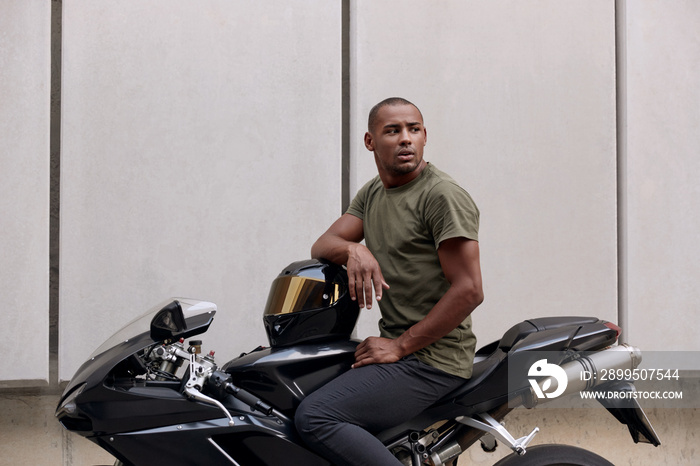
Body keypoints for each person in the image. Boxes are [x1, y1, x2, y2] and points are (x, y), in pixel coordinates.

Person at [295, 97, 484, 466]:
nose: (405, 139)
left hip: (433, 360)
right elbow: (323, 243)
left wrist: (399, 346)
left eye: (413, 130)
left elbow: (470, 289)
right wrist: (354, 250)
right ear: (370, 142)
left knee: (316, 417)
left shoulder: (441, 195)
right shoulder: (373, 194)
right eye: (393, 131)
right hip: (403, 352)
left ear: (425, 136)